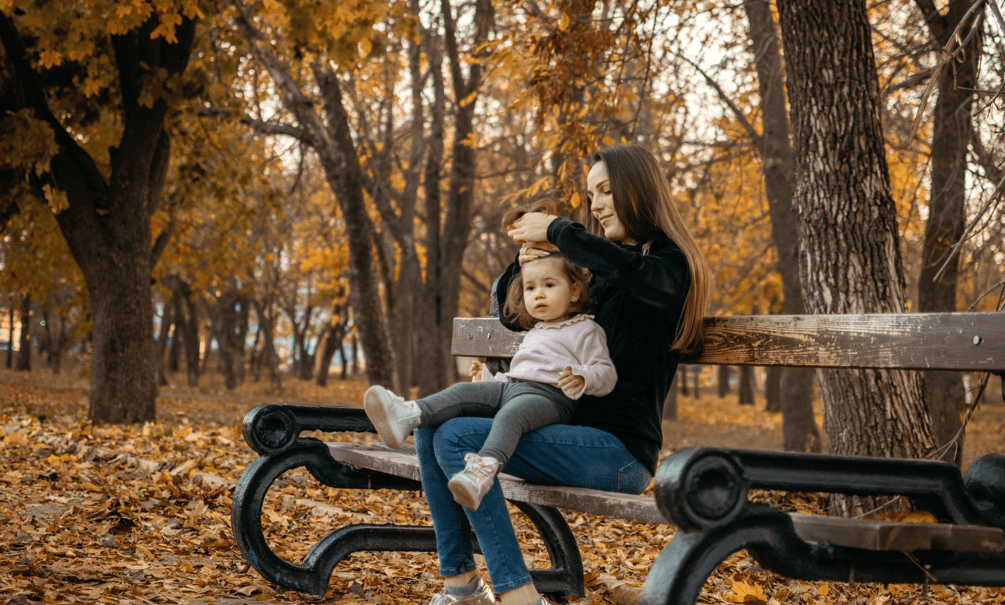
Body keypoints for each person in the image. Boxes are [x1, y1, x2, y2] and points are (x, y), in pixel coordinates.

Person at [413, 144, 712, 605]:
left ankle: (516, 595)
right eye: (591, 194)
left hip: (620, 454)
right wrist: (530, 259)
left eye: (607, 191)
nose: (595, 204)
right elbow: (516, 319)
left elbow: (634, 272)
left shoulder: (668, 266)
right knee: (430, 424)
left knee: (455, 437)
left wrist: (559, 230)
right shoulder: (605, 269)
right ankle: (461, 585)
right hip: (561, 425)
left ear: (639, 190)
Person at [364, 210, 617, 513]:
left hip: (549, 398)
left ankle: (482, 472)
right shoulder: (535, 330)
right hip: (514, 387)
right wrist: (487, 378)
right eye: (531, 288)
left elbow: (605, 372)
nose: (539, 295)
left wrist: (583, 377)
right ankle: (407, 414)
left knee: (510, 416)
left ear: (575, 291)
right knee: (460, 393)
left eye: (550, 285)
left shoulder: (585, 329)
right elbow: (522, 369)